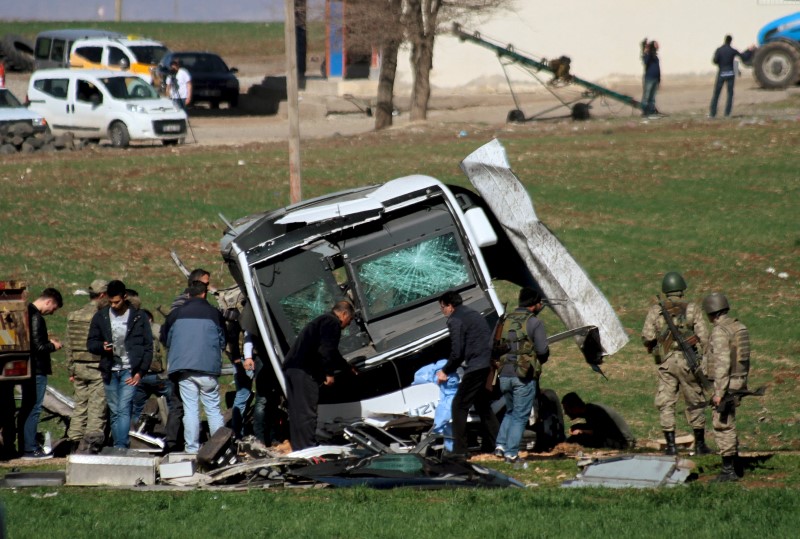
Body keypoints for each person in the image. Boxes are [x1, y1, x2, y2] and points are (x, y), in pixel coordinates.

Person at [641, 271, 710, 456]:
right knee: (695, 400)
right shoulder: (692, 308)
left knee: (666, 402)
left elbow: (647, 336)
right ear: (681, 289)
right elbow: (704, 337)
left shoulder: (657, 309)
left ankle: (671, 446)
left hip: (667, 361)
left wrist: (655, 343)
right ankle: (700, 444)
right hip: (689, 362)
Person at [87, 280, 153, 449]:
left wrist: (140, 372)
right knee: (115, 410)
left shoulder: (139, 316)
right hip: (109, 369)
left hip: (129, 370)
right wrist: (102, 347)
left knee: (124, 408)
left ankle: (121, 445)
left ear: (125, 297)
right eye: (111, 302)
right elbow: (91, 343)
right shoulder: (101, 316)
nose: (114, 306)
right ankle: (118, 444)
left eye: (117, 302)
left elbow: (147, 346)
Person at [162, 280, 226, 454]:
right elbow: (222, 339)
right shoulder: (214, 314)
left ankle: (191, 449)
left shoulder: (176, 314)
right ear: (204, 294)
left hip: (184, 368)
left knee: (191, 409)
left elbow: (166, 338)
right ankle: (219, 448)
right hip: (208, 367)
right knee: (213, 408)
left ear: (188, 295)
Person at [436, 290, 499, 460]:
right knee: (482, 405)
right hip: (486, 364)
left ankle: (460, 450)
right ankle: (495, 444)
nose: (443, 311)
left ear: (450, 306)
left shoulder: (455, 320)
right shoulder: (473, 314)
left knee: (458, 405)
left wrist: (445, 371)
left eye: (442, 308)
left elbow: (457, 352)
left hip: (476, 366)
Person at [283, 301, 355, 451]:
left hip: (292, 369)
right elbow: (327, 350)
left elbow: (333, 353)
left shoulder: (321, 320)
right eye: (350, 320)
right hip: (304, 371)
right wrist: (329, 373)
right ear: (344, 314)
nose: (349, 324)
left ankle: (299, 447)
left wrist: (347, 368)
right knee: (307, 412)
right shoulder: (332, 323)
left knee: (297, 411)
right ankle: (308, 449)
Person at [493, 287, 549, 463]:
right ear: (534, 304)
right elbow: (542, 350)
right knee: (520, 415)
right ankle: (511, 453)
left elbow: (492, 345)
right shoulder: (534, 323)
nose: (541, 305)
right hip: (523, 376)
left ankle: (500, 446)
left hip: (504, 375)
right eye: (540, 302)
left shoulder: (505, 320)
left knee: (510, 412)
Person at [702, 292, 750, 482]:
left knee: (722, 424)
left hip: (727, 384)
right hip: (738, 380)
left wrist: (719, 392)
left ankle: (728, 470)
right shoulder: (739, 327)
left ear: (712, 313)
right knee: (729, 420)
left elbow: (722, 364)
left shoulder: (721, 331)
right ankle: (735, 463)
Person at [18, 288, 63, 459]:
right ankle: (30, 448)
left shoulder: (26, 313)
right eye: (54, 308)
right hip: (37, 370)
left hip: (28, 368)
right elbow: (38, 347)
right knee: (34, 408)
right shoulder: (36, 317)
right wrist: (53, 346)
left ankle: (25, 445)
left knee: (26, 408)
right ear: (49, 302)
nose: (52, 312)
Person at [65, 279, 108, 449]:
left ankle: (74, 440)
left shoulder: (74, 315)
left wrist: (71, 368)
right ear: (103, 295)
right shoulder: (102, 316)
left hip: (78, 366)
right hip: (96, 367)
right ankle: (91, 443)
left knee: (79, 406)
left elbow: (68, 344)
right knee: (97, 407)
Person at [130, 309, 172, 423]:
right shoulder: (152, 328)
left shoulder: (130, 331)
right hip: (156, 375)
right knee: (172, 404)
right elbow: (168, 341)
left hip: (137, 376)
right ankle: (173, 433)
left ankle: (133, 433)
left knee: (136, 408)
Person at [561, 392, 636, 450]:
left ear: (575, 408)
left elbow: (599, 433)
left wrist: (581, 431)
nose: (566, 413)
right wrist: (578, 427)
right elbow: (596, 426)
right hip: (621, 440)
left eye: (567, 409)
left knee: (578, 439)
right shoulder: (590, 409)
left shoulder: (593, 411)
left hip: (624, 443)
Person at [710, 35, 755, 118]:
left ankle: (713, 113)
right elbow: (744, 57)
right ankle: (727, 113)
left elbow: (714, 61)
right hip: (731, 73)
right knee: (730, 94)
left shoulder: (719, 50)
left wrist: (721, 63)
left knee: (716, 94)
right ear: (731, 41)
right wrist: (749, 50)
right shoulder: (732, 50)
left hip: (722, 73)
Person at [640, 39, 661, 116]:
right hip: (649, 79)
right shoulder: (648, 55)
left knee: (652, 97)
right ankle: (645, 112)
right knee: (647, 96)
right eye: (656, 45)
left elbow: (658, 69)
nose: (658, 46)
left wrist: (659, 80)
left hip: (655, 79)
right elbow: (645, 61)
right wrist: (646, 51)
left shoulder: (656, 57)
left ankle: (651, 111)